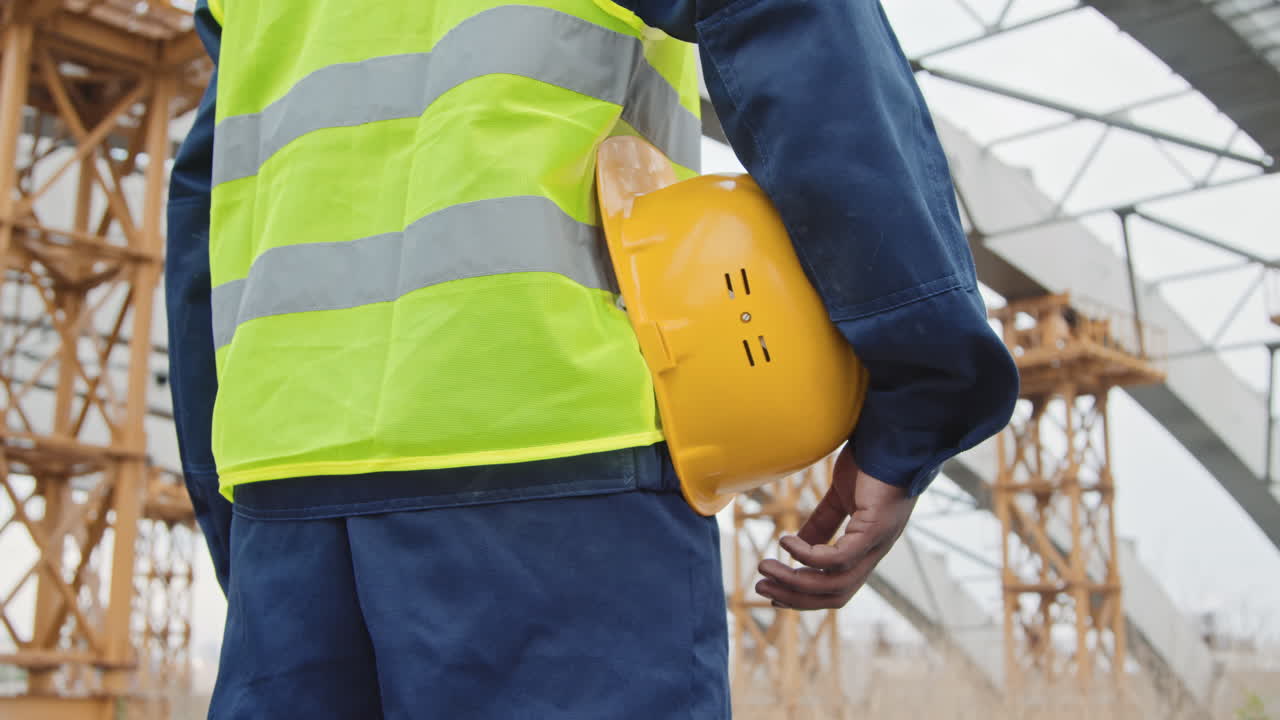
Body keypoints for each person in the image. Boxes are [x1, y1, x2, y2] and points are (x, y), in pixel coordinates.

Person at [165, 1, 1019, 717]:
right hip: (554, 464)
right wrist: (922, 385)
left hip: (289, 500)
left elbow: (207, 198)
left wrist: (230, 506)